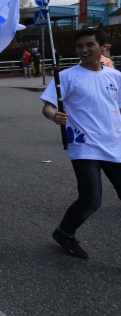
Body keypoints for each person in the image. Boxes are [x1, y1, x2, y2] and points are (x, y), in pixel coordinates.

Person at [41, 29, 121, 259]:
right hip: (84, 147)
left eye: (89, 45)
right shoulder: (67, 76)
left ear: (103, 47)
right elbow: (47, 106)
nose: (84, 50)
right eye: (79, 46)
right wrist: (54, 115)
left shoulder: (115, 76)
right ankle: (64, 233)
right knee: (91, 199)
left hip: (114, 146)